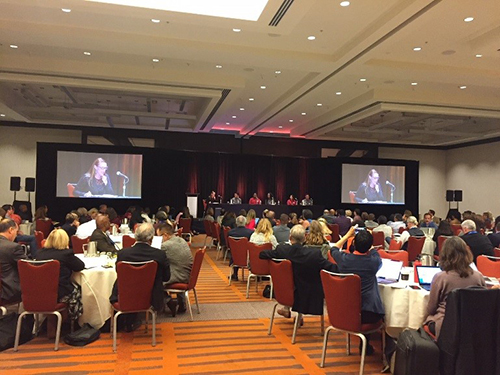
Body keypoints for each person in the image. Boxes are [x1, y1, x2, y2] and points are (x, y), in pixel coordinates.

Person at [259, 225, 337, 318]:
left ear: (290, 237)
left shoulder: (282, 250)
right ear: (305, 238)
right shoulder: (313, 255)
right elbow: (332, 268)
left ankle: (287, 309)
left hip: (285, 293)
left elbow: (262, 254)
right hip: (308, 297)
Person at [330, 226, 384, 355]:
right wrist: (370, 243)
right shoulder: (374, 262)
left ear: (353, 243)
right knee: (381, 308)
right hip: (368, 314)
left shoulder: (343, 259)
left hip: (344, 312)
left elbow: (333, 248)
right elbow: (375, 252)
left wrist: (348, 235)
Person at [110, 223, 170, 331]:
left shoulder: (123, 254)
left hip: (125, 297)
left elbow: (119, 273)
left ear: (135, 236)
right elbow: (166, 277)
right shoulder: (159, 255)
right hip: (150, 298)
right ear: (151, 238)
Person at [424, 236, 485, 339]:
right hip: (473, 326)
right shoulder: (478, 277)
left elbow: (431, 309)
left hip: (445, 325)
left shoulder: (441, 278)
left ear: (445, 255)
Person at [36, 229, 85, 320]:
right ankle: (74, 322)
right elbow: (80, 266)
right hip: (60, 293)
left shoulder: (39, 253)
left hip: (37, 291)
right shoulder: (65, 254)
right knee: (79, 289)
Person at [156, 223, 193, 316]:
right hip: (187, 275)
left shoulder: (166, 246)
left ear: (165, 235)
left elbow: (154, 256)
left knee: (152, 280)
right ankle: (181, 302)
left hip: (178, 276)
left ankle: (168, 301)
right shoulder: (181, 240)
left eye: (159, 237)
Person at [0, 219, 27, 302]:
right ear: (11, 230)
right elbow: (28, 267)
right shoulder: (13, 247)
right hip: (9, 291)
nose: (16, 235)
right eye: (16, 231)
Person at [227, 216, 254, 281]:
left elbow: (229, 246)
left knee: (236, 252)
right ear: (245, 223)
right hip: (247, 257)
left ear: (236, 223)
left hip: (235, 257)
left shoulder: (230, 232)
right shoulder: (250, 232)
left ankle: (235, 274)